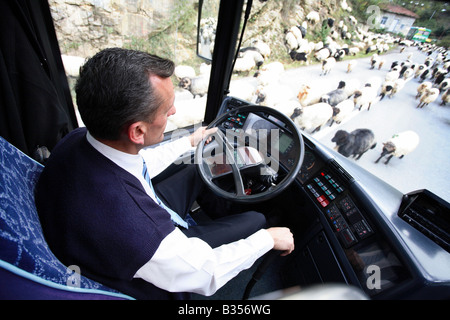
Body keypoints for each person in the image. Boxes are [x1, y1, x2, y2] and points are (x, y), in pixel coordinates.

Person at [35, 48, 294, 300]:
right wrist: (267, 239)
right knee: (255, 219)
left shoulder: (78, 139)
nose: (174, 112)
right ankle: (253, 222)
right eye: (167, 108)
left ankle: (216, 220)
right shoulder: (139, 232)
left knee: (196, 165)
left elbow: (139, 163)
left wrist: (188, 142)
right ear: (137, 131)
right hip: (161, 256)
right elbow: (207, 272)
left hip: (131, 220)